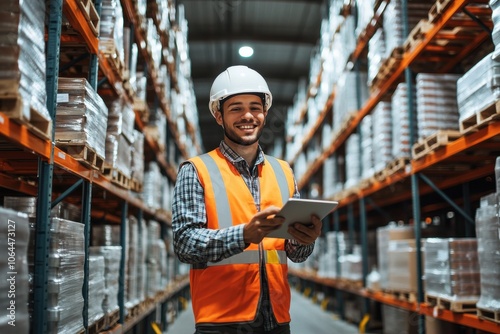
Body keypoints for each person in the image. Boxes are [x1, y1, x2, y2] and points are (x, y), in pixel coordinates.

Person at [172, 65, 322, 334]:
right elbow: (185, 244)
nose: (248, 116)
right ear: (219, 116)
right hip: (221, 321)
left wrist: (304, 239)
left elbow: (296, 255)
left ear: (264, 112)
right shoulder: (196, 170)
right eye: (236, 108)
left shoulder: (284, 172)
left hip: (276, 319)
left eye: (255, 106)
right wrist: (244, 234)